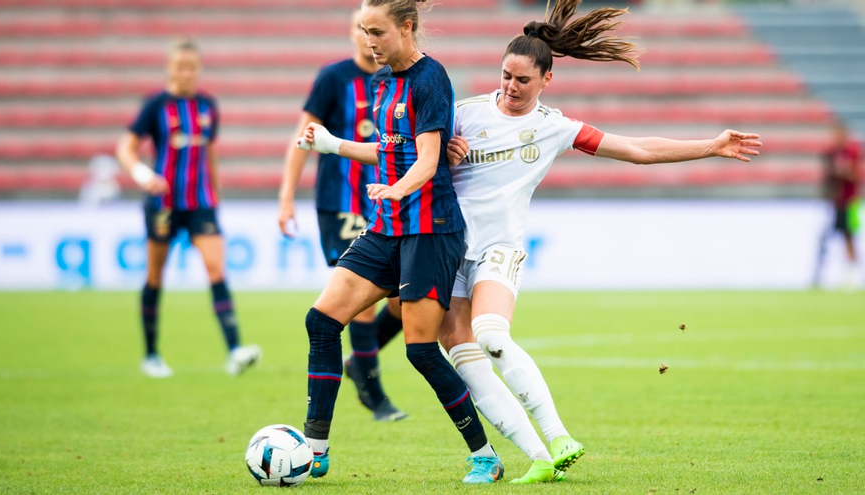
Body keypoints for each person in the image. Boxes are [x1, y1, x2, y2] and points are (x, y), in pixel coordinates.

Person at [302, 0, 761, 484]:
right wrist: (439, 155)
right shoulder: (466, 114)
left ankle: (559, 436)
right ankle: (535, 457)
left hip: (496, 246)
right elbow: (417, 151)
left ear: (546, 81)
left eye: (522, 80)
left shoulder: (556, 127)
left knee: (492, 336)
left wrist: (710, 146)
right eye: (505, 76)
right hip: (451, 246)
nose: (510, 87)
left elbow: (638, 149)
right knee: (462, 357)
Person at [296, 0, 504, 484]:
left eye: (377, 31)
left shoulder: (431, 79)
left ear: (406, 28)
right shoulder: (381, 80)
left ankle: (485, 456)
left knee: (421, 350)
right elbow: (391, 148)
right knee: (321, 321)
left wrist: (398, 188)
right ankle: (314, 450)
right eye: (364, 31)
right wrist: (332, 144)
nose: (369, 41)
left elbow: (429, 159)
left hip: (431, 229)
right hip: (388, 225)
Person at [278, 7, 407, 422]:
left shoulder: (396, 78)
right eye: (360, 28)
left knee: (406, 302)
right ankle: (375, 395)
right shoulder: (334, 79)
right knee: (362, 302)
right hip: (341, 203)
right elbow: (303, 139)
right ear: (352, 33)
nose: (366, 36)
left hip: (390, 202)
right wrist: (286, 198)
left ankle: (358, 364)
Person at [115, 37, 261, 378]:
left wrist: (216, 193)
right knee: (155, 276)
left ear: (199, 70)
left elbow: (209, 153)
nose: (186, 73)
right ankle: (151, 355)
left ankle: (235, 350)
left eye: (192, 67)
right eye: (180, 67)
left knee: (216, 270)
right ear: (170, 68)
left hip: (201, 203)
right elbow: (126, 147)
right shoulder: (156, 106)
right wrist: (141, 173)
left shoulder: (208, 105)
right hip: (163, 202)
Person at [812, 120, 862, 289]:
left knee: (849, 236)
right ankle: (823, 274)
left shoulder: (851, 151)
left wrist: (844, 172)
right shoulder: (832, 153)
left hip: (850, 202)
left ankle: (853, 274)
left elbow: (855, 175)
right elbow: (828, 176)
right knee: (830, 236)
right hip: (836, 202)